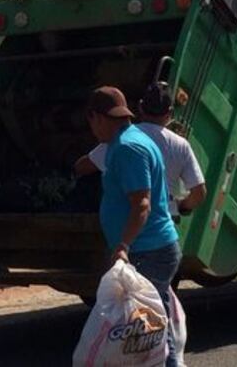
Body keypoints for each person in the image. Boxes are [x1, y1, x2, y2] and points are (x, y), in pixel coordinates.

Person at [84, 85, 181, 366]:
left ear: (98, 117)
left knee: (149, 330)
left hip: (148, 250)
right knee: (151, 328)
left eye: (91, 122)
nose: (92, 130)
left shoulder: (128, 148)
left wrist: (123, 246)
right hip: (151, 248)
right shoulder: (131, 139)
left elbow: (142, 204)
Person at [76, 82, 207, 217]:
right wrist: (180, 206)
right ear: (170, 113)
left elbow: (82, 167)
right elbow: (199, 193)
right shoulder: (181, 145)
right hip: (162, 221)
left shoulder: (123, 137)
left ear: (140, 106)